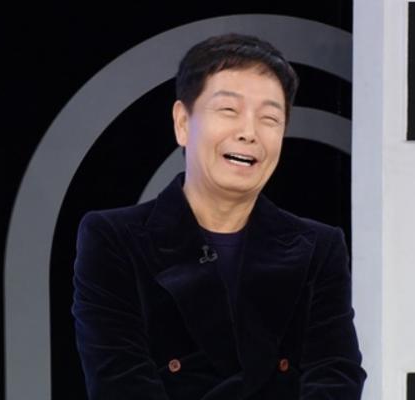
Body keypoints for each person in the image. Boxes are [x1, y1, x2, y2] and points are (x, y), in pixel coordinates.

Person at [72, 32, 367, 400]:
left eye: (269, 118)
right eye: (229, 110)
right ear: (183, 122)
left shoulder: (319, 248)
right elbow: (119, 382)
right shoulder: (113, 239)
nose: (248, 133)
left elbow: (336, 377)